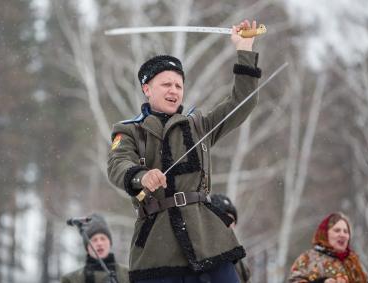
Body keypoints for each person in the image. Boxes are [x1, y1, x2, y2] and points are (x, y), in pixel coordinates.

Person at [108, 19, 262, 283]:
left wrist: (244, 50)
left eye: (179, 85)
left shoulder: (199, 124)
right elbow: (117, 164)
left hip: (208, 240)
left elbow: (242, 102)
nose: (174, 91)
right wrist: (141, 176)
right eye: (166, 84)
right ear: (147, 89)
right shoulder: (128, 130)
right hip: (156, 250)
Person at [288, 212, 368, 283]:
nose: (342, 235)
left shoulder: (354, 262)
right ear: (325, 234)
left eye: (346, 231)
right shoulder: (308, 258)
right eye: (337, 230)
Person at [61, 213, 129, 283]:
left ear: (110, 243)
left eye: (103, 239)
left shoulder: (129, 275)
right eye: (94, 240)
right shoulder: (71, 280)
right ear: (87, 247)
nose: (99, 243)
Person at [211, 193, 251, 283]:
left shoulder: (238, 260)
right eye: (225, 219)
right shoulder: (205, 256)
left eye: (232, 220)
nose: (230, 224)